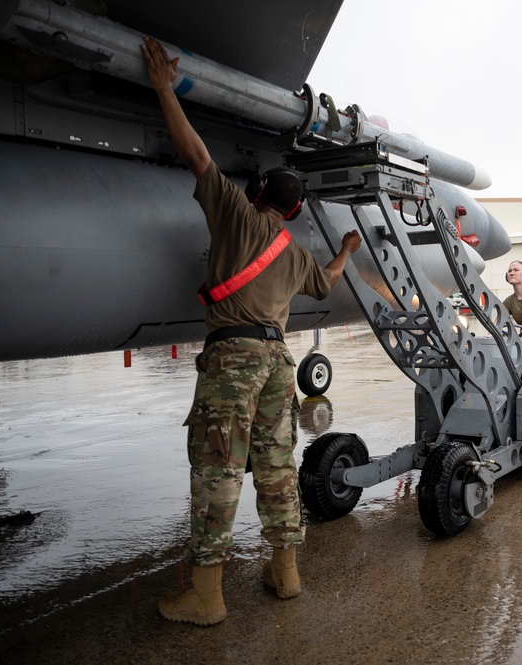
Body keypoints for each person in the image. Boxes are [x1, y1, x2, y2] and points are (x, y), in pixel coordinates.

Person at [142, 37, 362, 626]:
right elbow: (330, 279)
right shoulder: (294, 253)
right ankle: (285, 572)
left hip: (234, 355)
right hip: (276, 362)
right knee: (276, 464)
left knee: (217, 466)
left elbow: (195, 154)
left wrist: (164, 88)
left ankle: (206, 594)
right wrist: (343, 248)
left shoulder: (236, 213)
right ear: (292, 212)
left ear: (259, 196)